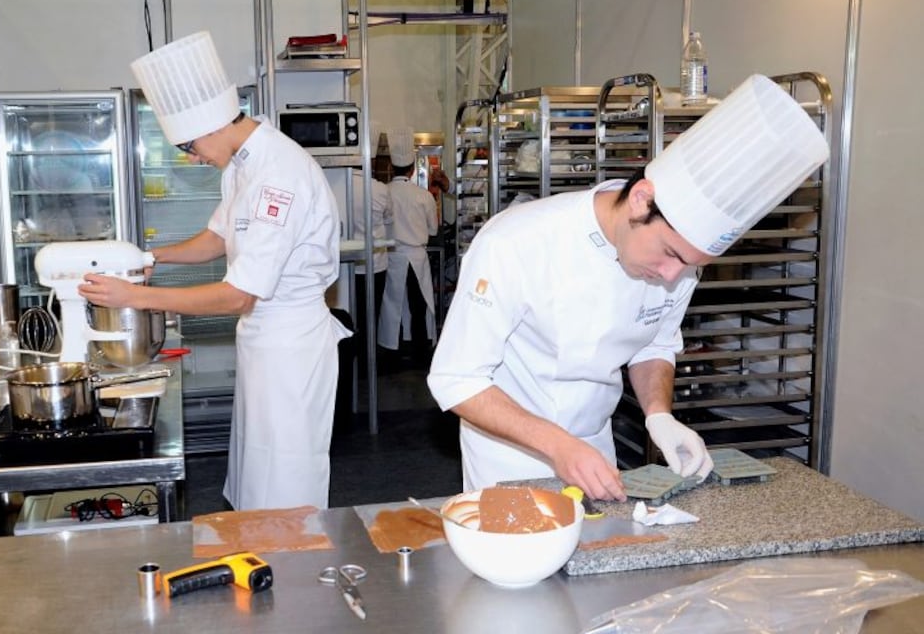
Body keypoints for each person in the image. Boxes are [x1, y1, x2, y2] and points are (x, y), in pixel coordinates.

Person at [428, 74, 829, 501]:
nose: (673, 277)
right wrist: (558, 446)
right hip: (508, 456)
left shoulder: (679, 266)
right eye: (671, 254)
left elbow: (654, 344)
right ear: (640, 200)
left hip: (594, 450)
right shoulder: (514, 243)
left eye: (691, 265)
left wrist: (659, 415)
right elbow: (457, 380)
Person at [79, 31, 350, 510]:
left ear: (209, 126)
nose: (193, 159)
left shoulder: (278, 174)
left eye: (190, 148)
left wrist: (136, 298)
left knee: (286, 475)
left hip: (290, 343)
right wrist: (149, 258)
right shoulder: (240, 166)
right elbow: (218, 239)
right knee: (256, 466)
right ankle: (260, 551)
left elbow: (238, 295)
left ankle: (295, 572)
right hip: (262, 340)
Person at [378, 126, 439, 363]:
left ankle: (391, 353)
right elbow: (433, 229)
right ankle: (421, 354)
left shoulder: (384, 192)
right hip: (416, 256)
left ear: (392, 167)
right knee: (418, 304)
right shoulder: (423, 195)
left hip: (392, 255)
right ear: (413, 169)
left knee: (393, 305)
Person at [351, 123, 392, 366]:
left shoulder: (336, 185)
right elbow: (388, 219)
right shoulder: (379, 189)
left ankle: (352, 360)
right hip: (375, 263)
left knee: (350, 314)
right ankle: (368, 361)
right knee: (371, 314)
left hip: (348, 266)